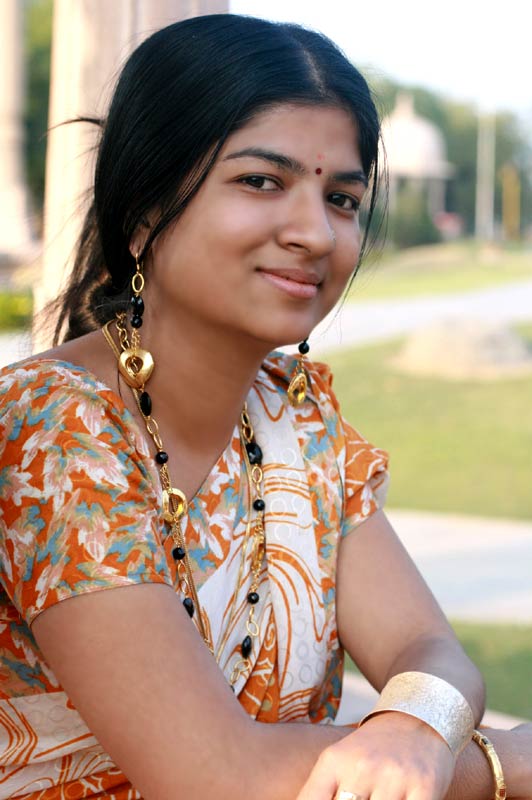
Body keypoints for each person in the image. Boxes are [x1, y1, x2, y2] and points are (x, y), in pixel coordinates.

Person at [0, 13, 530, 800]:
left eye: (343, 198)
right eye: (261, 181)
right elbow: (212, 776)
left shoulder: (299, 420)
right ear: (146, 207)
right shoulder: (53, 431)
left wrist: (413, 727)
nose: (315, 232)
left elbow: (430, 648)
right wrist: (502, 763)